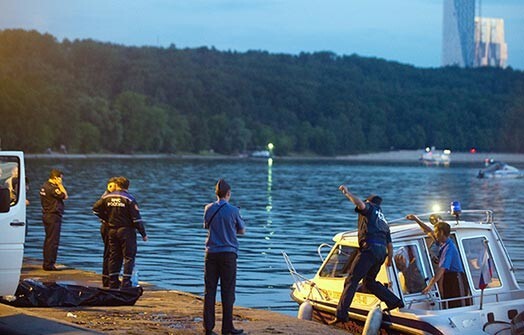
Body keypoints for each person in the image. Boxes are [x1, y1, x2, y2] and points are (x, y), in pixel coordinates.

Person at [331, 185, 403, 325]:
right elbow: (389, 243)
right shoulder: (383, 220)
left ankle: (341, 315)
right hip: (381, 252)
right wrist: (388, 259)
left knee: (351, 280)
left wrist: (347, 193)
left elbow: (360, 204)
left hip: (369, 249)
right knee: (369, 282)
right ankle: (394, 301)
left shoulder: (370, 209)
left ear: (370, 202)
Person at [203, 179, 246, 335]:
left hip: (211, 253)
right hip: (228, 255)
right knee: (228, 291)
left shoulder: (208, 208)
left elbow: (206, 226)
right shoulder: (234, 210)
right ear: (228, 193)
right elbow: (242, 231)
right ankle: (227, 328)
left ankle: (208, 328)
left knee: (209, 291)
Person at [92, 176, 148, 289]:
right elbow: (136, 219)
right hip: (126, 231)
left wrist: (106, 218)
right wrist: (143, 233)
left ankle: (112, 281)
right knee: (129, 256)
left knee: (114, 255)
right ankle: (126, 282)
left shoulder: (107, 197)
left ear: (117, 185)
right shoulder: (129, 199)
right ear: (128, 186)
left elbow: (95, 209)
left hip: (112, 230)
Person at [406, 214, 469, 308]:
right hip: (447, 276)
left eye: (436, 232)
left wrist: (429, 286)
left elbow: (441, 269)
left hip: (455, 277)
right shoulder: (441, 242)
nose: (434, 234)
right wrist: (416, 219)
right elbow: (427, 231)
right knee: (447, 301)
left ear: (442, 233)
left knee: (457, 303)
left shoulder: (449, 248)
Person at [39, 169, 68, 271]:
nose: (61, 180)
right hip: (53, 216)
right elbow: (65, 196)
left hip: (46, 215)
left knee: (48, 240)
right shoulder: (53, 188)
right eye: (60, 178)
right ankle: (49, 264)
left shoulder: (44, 186)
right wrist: (60, 185)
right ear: (56, 178)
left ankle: (47, 263)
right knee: (53, 241)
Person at [95, 177, 118, 287]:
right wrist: (107, 219)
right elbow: (96, 209)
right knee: (109, 253)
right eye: (115, 186)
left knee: (110, 253)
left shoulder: (113, 197)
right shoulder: (106, 197)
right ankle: (107, 279)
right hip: (107, 227)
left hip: (109, 226)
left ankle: (109, 278)